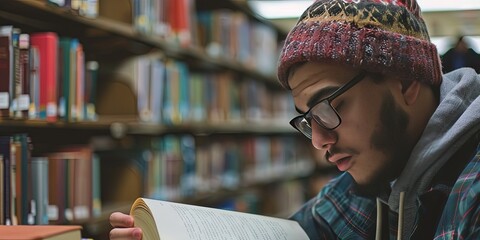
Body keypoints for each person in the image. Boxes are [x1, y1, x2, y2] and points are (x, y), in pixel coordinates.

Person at [109, 0, 480, 239]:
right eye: (307, 118)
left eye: (327, 105)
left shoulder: (470, 190)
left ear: (406, 81)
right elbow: (299, 232)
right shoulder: (375, 174)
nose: (318, 141)